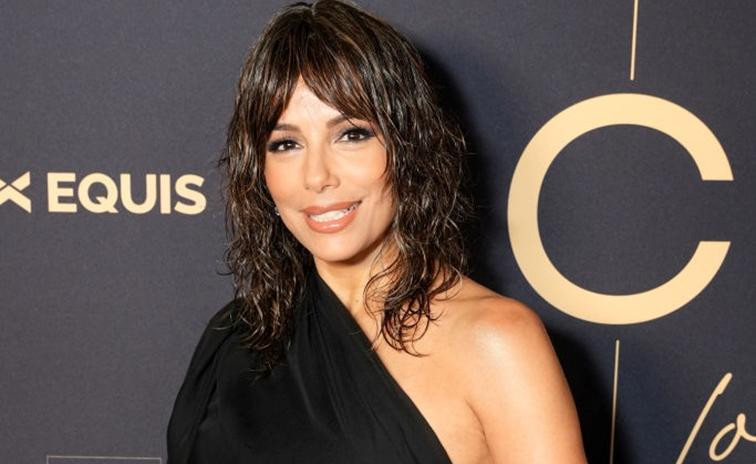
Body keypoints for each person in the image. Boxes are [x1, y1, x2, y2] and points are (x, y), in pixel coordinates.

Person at [167, 0, 587, 462]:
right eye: (286, 144)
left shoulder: (496, 341)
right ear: (258, 168)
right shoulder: (235, 337)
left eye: (351, 134)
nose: (317, 176)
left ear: (408, 144)